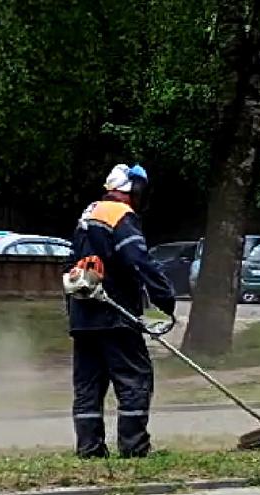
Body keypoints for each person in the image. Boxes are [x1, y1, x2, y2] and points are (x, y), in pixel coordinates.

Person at [67, 163, 176, 458]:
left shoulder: (88, 214)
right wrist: (165, 297)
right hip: (115, 315)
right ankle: (134, 447)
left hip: (83, 315)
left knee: (89, 383)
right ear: (134, 190)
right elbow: (138, 260)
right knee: (135, 378)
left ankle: (89, 449)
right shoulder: (120, 216)